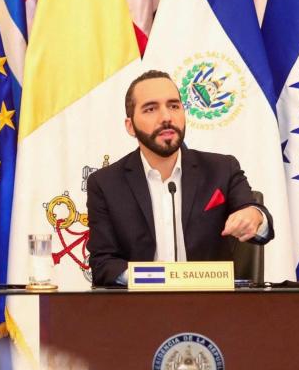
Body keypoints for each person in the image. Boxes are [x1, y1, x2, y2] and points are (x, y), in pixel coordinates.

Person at [87, 70, 274, 286]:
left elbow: (262, 231)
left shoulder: (222, 169)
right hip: (140, 310)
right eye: (150, 109)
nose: (166, 117)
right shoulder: (106, 184)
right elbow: (102, 264)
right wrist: (158, 280)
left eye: (174, 106)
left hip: (212, 310)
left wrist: (255, 217)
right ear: (130, 126)